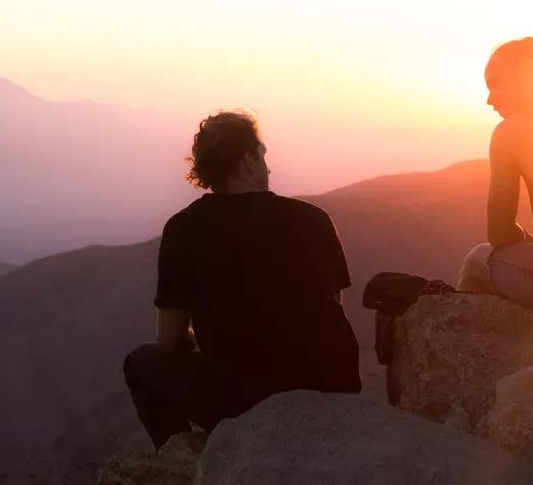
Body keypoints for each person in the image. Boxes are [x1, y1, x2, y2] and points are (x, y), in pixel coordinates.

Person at [123, 110, 361, 450]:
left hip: (246, 404)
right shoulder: (314, 220)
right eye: (263, 154)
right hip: (334, 390)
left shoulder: (183, 230)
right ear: (249, 160)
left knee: (140, 363)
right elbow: (331, 308)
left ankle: (181, 461)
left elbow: (168, 342)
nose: (268, 165)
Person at [457, 32, 533, 315]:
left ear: (524, 77)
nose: (489, 99)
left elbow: (499, 232)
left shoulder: (510, 131)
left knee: (477, 260)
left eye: (495, 84)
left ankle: (465, 346)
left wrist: (527, 238)